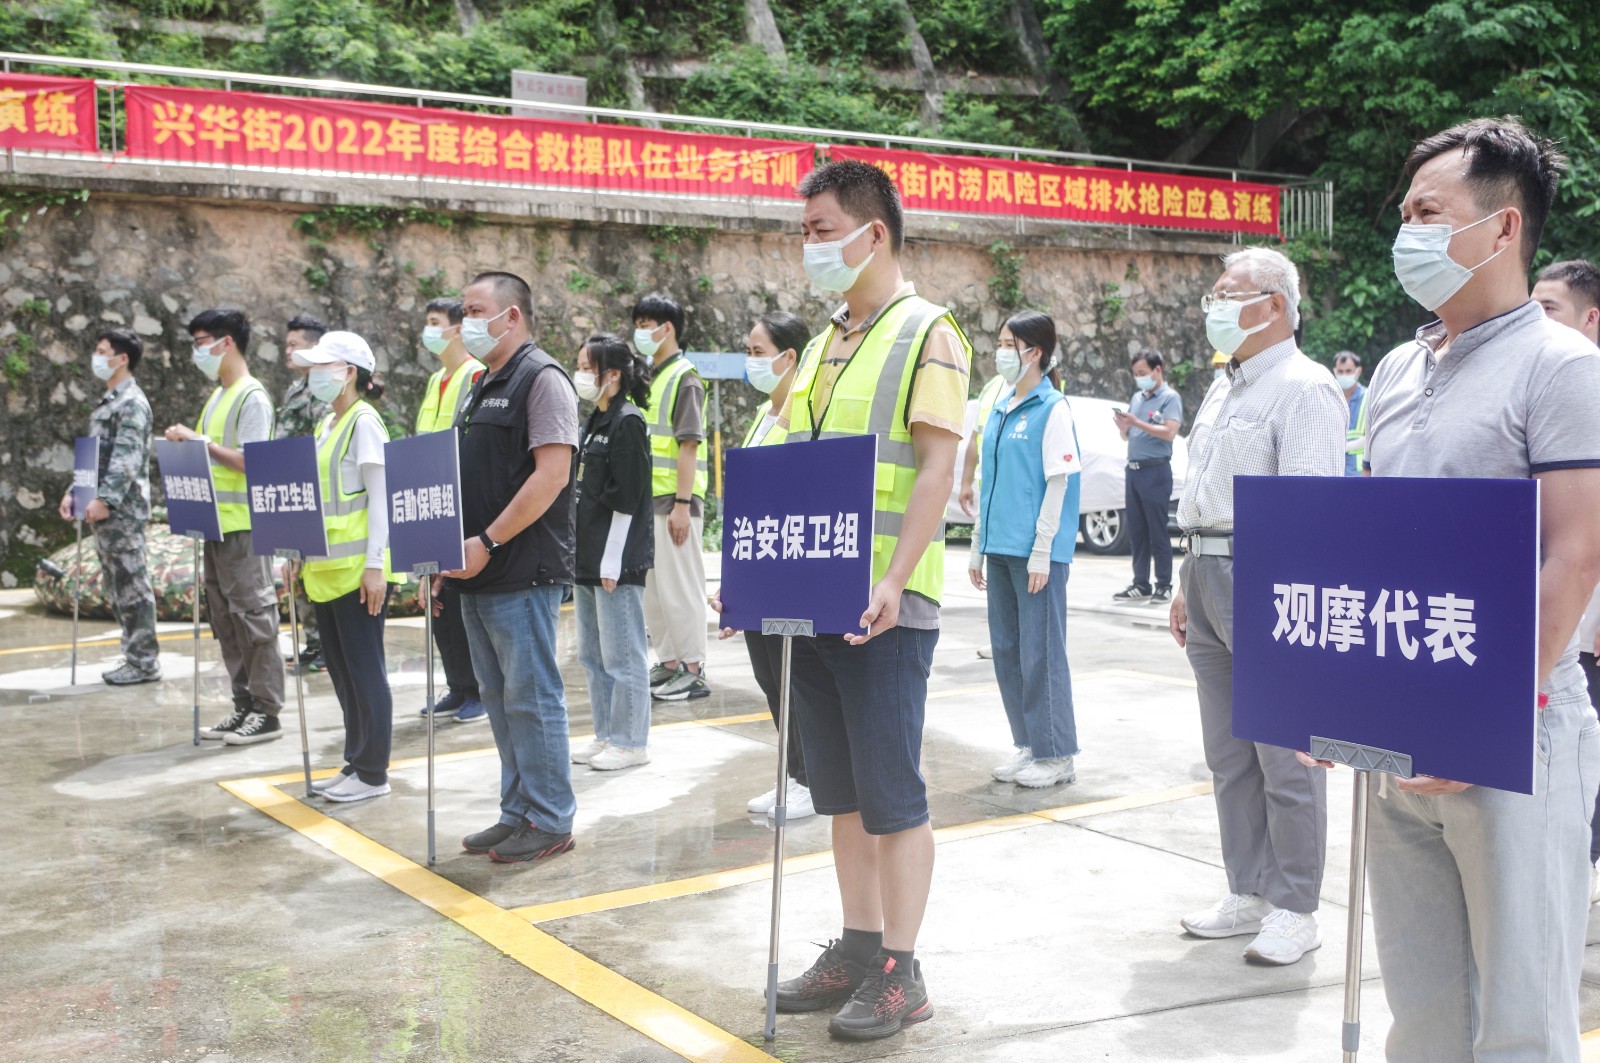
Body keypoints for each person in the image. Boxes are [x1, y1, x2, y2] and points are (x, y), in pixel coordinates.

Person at [1333, 118, 1600, 1062]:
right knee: (1427, 1008)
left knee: (1522, 1017)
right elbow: (1373, 544)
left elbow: (1572, 555)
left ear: (1501, 230)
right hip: (1405, 727)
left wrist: (1481, 716)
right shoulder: (1402, 367)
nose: (1405, 229)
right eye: (1404, 210)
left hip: (1514, 726)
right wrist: (1339, 691)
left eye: (1427, 211)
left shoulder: (1562, 367)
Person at [764, 159, 969, 1040]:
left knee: (892, 795)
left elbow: (936, 464)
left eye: (819, 229)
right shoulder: (821, 342)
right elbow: (788, 461)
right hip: (814, 597)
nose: (807, 246)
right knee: (840, 794)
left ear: (871, 231)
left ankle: (902, 968)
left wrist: (891, 578)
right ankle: (856, 946)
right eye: (804, 231)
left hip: (886, 603)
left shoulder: (929, 333)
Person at [1167, 247, 1345, 965]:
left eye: (1226, 291)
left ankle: (1298, 905)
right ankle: (1248, 888)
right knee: (1229, 750)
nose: (1214, 302)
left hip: (1267, 573)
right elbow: (1204, 490)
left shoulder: (1306, 388)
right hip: (1205, 568)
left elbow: (1309, 510)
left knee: (1285, 753)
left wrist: (1292, 600)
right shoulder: (1224, 385)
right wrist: (1185, 582)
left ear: (1274, 304)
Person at [446, 271, 580, 865]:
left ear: (512, 316)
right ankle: (517, 810)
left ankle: (550, 819)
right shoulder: (480, 384)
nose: (466, 321)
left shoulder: (542, 379)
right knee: (500, 698)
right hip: (475, 566)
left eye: (476, 309)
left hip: (518, 566)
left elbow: (551, 475)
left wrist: (490, 541)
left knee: (532, 697)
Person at [968, 311, 1082, 789]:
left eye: (1007, 344)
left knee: (1041, 653)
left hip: (1037, 554)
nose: (999, 352)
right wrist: (977, 545)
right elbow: (987, 481)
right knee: (1008, 651)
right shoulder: (1000, 406)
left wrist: (1043, 550)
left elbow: (1058, 483)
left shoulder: (1051, 408)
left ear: (1034, 352)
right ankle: (1029, 745)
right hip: (1000, 547)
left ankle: (1056, 754)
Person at [164, 308, 285, 746]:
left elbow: (253, 462)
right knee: (226, 622)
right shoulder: (217, 396)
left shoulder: (252, 396)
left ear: (226, 342)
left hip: (244, 528)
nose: (198, 351)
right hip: (214, 526)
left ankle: (267, 711)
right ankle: (243, 705)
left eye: (201, 342)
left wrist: (201, 444)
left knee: (254, 618)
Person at [290, 331, 401, 802]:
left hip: (359, 573)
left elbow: (382, 500)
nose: (313, 376)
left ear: (349, 372)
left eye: (323, 366)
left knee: (365, 669)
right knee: (341, 670)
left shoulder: (364, 423)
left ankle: (373, 773)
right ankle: (355, 761)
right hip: (326, 572)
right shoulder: (326, 425)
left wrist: (376, 567)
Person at [1533, 260, 1600, 902]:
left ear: (1590, 317)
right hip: (1565, 624)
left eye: (1547, 308)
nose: (1534, 319)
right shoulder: (1542, 387)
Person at [738, 310, 817, 822]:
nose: (750, 362)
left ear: (790, 358)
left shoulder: (804, 417)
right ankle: (791, 774)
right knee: (770, 679)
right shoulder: (761, 418)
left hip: (788, 571)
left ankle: (812, 779)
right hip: (757, 566)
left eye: (758, 352)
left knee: (797, 680)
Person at [568, 333, 655, 772]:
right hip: (587, 556)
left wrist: (612, 560)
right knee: (593, 654)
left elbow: (629, 496)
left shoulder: (628, 422)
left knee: (623, 654)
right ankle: (606, 734)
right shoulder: (595, 420)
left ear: (613, 374)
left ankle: (631, 742)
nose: (581, 374)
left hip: (615, 559)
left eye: (588, 366)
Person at [59, 328, 160, 685]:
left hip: (123, 512)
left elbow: (126, 460)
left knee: (131, 585)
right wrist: (76, 492)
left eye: (103, 352)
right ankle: (133, 656)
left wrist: (106, 500)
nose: (97, 358)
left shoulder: (132, 402)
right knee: (117, 585)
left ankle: (144, 661)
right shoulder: (110, 401)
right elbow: (96, 457)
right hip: (102, 509)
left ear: (122, 359)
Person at [634, 294, 712, 702]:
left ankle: (693, 668)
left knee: (681, 589)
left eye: (648, 323)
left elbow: (689, 445)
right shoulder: (650, 375)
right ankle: (667, 662)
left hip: (675, 504)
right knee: (654, 592)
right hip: (649, 502)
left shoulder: (685, 376)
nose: (641, 331)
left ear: (668, 328)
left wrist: (683, 505)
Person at [414, 295, 487, 725]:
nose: (430, 330)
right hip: (429, 502)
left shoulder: (473, 374)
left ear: (458, 328)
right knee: (437, 601)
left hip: (457, 502)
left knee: (459, 599)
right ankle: (457, 686)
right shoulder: (435, 380)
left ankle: (476, 688)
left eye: (435, 322)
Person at [275, 313, 331, 672]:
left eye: (295, 344)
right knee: (299, 575)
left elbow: (321, 439)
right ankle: (312, 643)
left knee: (316, 573)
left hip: (313, 491)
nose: (288, 351)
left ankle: (326, 647)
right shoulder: (295, 389)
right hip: (291, 490)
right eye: (286, 344)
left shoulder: (321, 387)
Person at [1111, 350, 1181, 604]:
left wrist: (1136, 423)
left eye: (1143, 373)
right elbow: (1130, 437)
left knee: (1157, 529)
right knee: (1137, 530)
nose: (1139, 378)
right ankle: (1140, 582)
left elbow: (1169, 432)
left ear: (1157, 370)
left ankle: (1163, 584)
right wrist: (1125, 428)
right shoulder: (1137, 398)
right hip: (1134, 470)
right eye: (1136, 374)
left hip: (1156, 471)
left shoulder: (1170, 398)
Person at [1333, 350, 1366, 476]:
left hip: (1359, 473)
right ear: (1335, 371)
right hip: (1335, 471)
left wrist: (1346, 446)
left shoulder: (1368, 397)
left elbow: (1374, 437)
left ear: (1358, 371)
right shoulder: (1330, 397)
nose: (1344, 375)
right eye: (1340, 372)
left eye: (1348, 371)